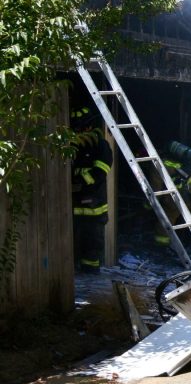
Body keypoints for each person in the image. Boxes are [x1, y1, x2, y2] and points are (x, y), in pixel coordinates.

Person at [71, 106, 113, 273]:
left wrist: (79, 181)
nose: (78, 132)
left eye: (80, 128)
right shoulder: (75, 146)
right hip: (75, 203)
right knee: (76, 238)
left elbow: (100, 172)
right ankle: (77, 266)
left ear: (88, 127)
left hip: (93, 204)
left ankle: (91, 270)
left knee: (92, 239)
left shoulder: (100, 146)